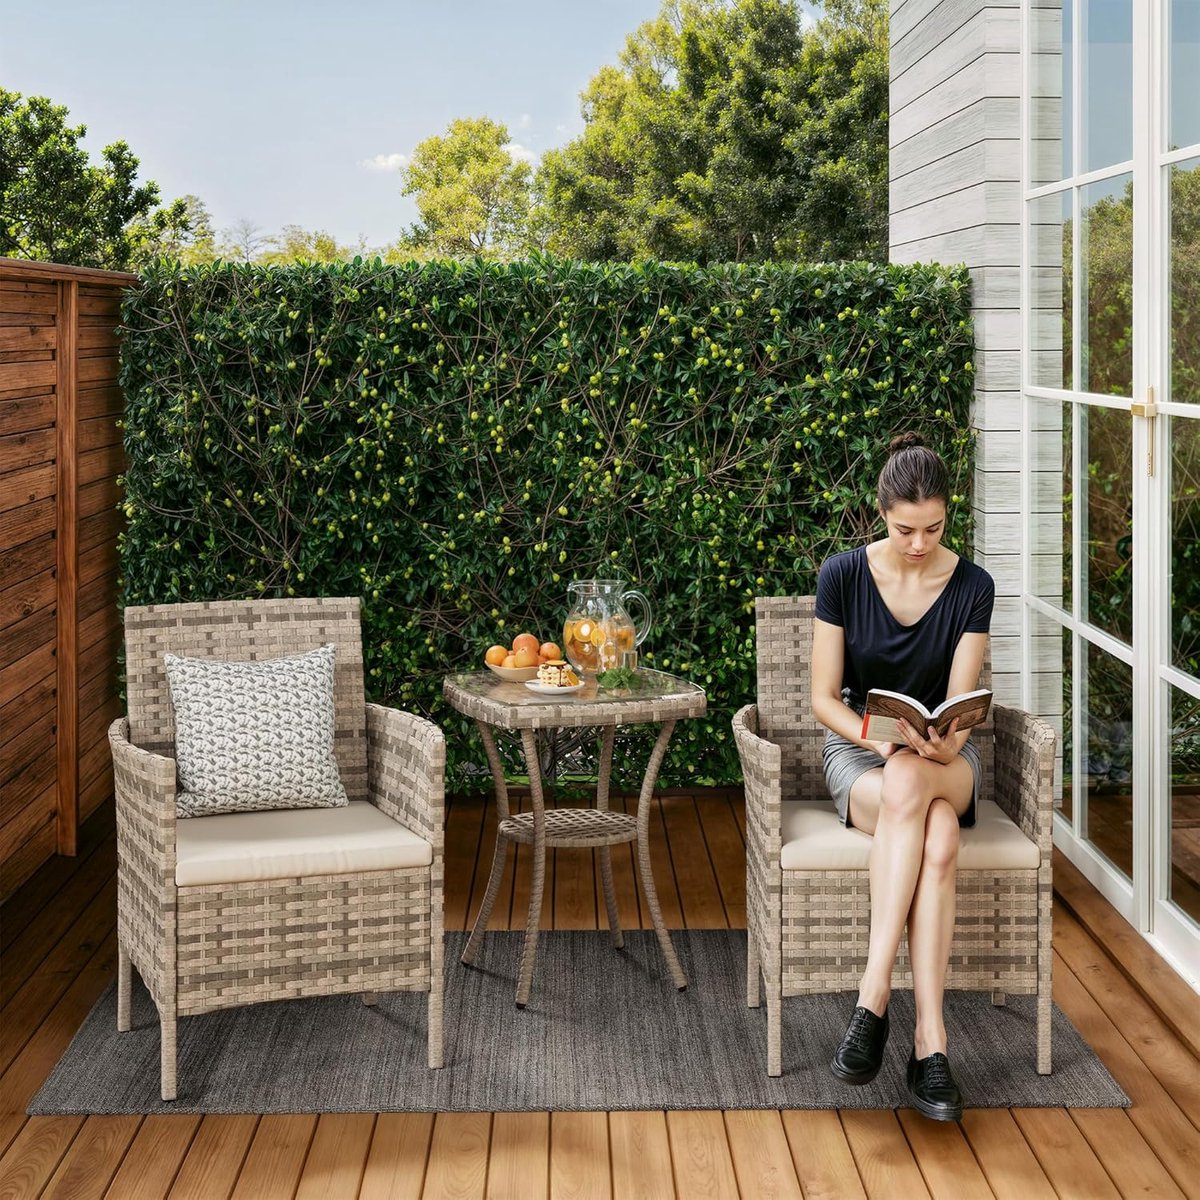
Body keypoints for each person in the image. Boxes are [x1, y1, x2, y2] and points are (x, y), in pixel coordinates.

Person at [811, 431, 994, 1122]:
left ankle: (871, 999)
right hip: (860, 753)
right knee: (937, 838)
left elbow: (962, 703)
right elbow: (824, 698)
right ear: (880, 513)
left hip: (945, 765)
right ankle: (930, 1044)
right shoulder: (843, 576)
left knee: (917, 782)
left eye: (935, 529)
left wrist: (945, 744)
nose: (919, 543)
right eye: (904, 529)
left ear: (949, 518)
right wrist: (880, 739)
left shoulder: (973, 585)